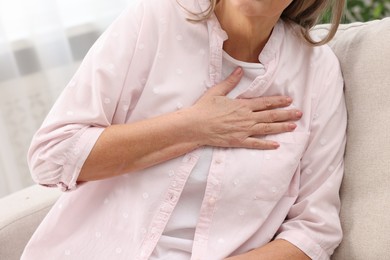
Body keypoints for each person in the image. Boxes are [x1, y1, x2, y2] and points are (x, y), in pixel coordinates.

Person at [22, 0, 347, 259]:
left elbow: (314, 231)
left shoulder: (316, 71)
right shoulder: (157, 17)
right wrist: (194, 126)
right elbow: (53, 156)